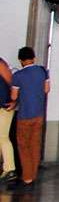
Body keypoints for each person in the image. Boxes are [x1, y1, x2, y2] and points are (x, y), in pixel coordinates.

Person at [8, 46, 49, 189]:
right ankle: (33, 174)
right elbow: (46, 89)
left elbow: (14, 96)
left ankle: (27, 177)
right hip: (39, 114)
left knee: (23, 146)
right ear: (33, 58)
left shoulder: (18, 76)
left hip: (24, 114)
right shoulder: (43, 71)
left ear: (20, 60)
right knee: (35, 144)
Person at [0, 54, 16, 184]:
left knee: (3, 137)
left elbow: (11, 81)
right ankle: (7, 169)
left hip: (4, 105)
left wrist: (14, 101)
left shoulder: (0, 63)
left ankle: (10, 169)